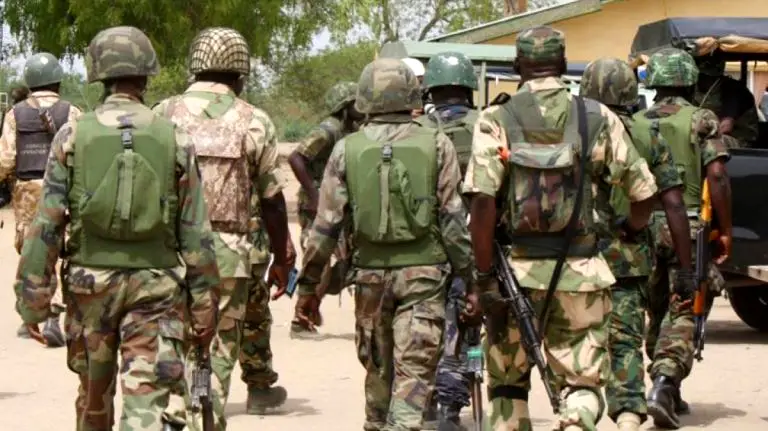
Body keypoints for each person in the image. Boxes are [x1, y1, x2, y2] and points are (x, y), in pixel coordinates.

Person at [13, 26, 219, 430]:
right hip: (156, 288)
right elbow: (196, 231)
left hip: (89, 289)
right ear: (146, 74)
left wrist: (33, 302)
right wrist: (204, 306)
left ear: (99, 75)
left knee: (93, 402)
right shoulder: (174, 137)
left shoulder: (72, 135)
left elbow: (47, 222)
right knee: (147, 407)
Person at [463, 26, 658, 430]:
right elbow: (644, 193)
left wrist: (483, 279)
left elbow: (482, 203)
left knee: (507, 386)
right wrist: (628, 227)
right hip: (582, 276)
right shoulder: (597, 117)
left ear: (517, 66)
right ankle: (576, 420)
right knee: (582, 383)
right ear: (565, 64)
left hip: (514, 275)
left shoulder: (495, 118)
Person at [295, 57, 473, 430]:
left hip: (370, 280)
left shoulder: (346, 149)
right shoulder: (437, 144)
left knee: (378, 375)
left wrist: (310, 289)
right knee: (413, 377)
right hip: (425, 279)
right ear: (413, 96)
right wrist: (470, 278)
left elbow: (325, 227)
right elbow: (453, 221)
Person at [153, 27, 292, 428]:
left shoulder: (163, 113)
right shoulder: (254, 120)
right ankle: (203, 417)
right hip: (229, 259)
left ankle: (174, 414)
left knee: (172, 342)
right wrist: (282, 255)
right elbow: (272, 200)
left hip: (172, 255)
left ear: (195, 68)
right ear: (240, 74)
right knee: (216, 355)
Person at [580, 57, 695, 431]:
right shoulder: (647, 134)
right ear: (631, 92)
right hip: (627, 258)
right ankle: (628, 415)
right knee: (625, 340)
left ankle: (576, 409)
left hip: (573, 257)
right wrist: (686, 268)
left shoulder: (570, 132)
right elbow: (674, 204)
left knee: (573, 342)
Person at [636, 47, 732, 429]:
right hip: (686, 228)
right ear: (690, 80)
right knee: (685, 307)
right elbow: (717, 176)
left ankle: (668, 387)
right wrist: (725, 231)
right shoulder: (701, 119)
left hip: (641, 227)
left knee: (656, 308)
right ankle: (664, 382)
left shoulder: (635, 121)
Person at [416, 50, 478, 430]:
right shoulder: (486, 125)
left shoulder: (417, 130)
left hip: (425, 247)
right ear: (469, 88)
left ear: (430, 90)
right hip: (479, 242)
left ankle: (423, 401)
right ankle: (451, 408)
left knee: (426, 326)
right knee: (466, 325)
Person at [1, 53, 81, 345]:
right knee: (61, 249)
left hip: (27, 193)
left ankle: (33, 314)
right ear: (58, 81)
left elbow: (6, 158)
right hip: (63, 189)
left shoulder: (15, 114)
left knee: (32, 251)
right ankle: (55, 313)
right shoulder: (72, 111)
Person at [286, 81, 361, 339]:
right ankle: (300, 319)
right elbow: (296, 157)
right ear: (345, 106)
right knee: (317, 260)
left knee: (342, 261)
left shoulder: (350, 130)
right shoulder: (329, 129)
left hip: (336, 203)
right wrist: (314, 194)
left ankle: (311, 309)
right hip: (317, 206)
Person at [694, 53, 759, 148]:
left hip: (739, 141)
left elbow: (726, 127)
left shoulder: (732, 90)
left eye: (704, 77)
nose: (700, 80)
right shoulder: (694, 89)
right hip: (708, 135)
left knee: (711, 143)